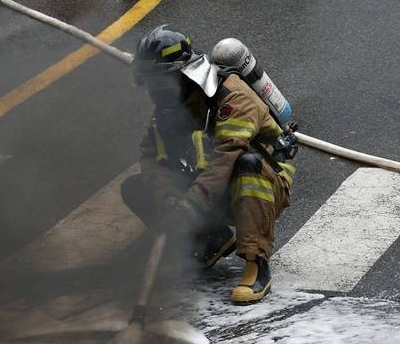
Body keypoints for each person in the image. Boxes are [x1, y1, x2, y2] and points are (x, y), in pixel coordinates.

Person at [123, 25, 297, 304]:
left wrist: (188, 208)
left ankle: (257, 264)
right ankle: (210, 241)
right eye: (150, 83)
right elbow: (152, 159)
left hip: (262, 182)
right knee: (136, 187)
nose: (154, 91)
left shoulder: (232, 97)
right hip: (209, 186)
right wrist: (167, 199)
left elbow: (225, 158)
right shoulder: (168, 110)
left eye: (160, 81)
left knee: (246, 164)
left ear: (183, 75)